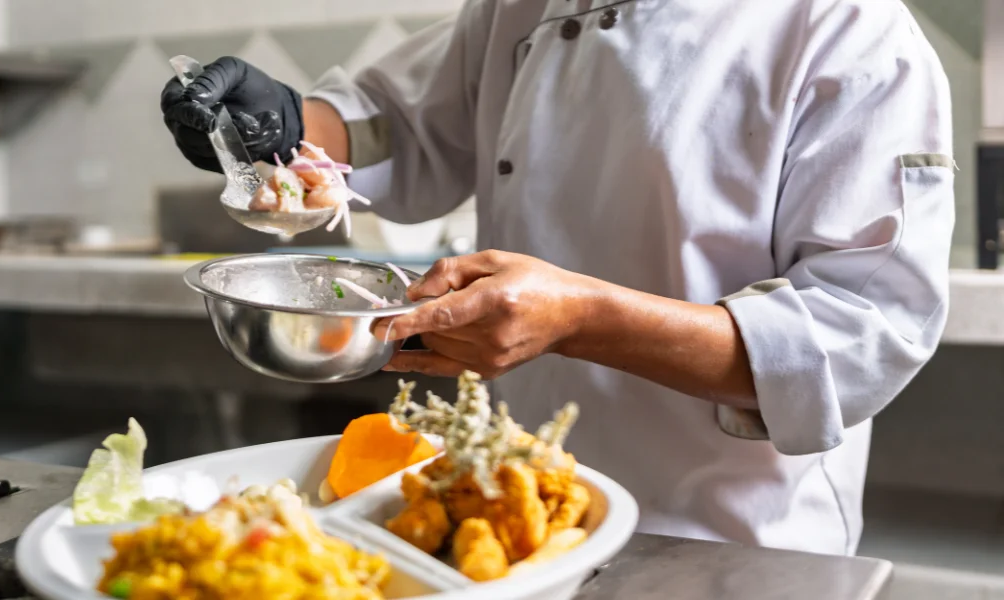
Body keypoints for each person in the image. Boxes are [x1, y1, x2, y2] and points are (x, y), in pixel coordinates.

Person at [160, 0, 955, 555]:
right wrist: (279, 126)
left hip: (725, 536)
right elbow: (396, 124)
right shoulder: (521, 9)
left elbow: (857, 338)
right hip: (520, 509)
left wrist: (578, 319)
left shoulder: (848, 30)